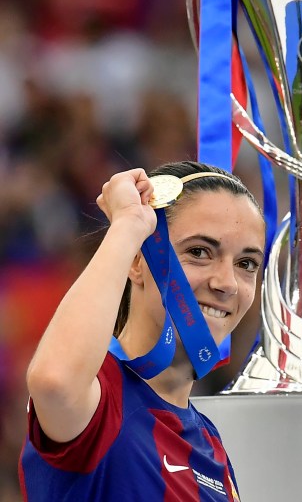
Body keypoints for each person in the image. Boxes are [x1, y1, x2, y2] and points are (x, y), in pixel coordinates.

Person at [19, 161, 266, 501]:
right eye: (199, 252)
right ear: (137, 261)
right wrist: (128, 225)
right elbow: (54, 382)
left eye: (246, 263)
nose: (227, 283)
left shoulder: (211, 444)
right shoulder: (102, 398)